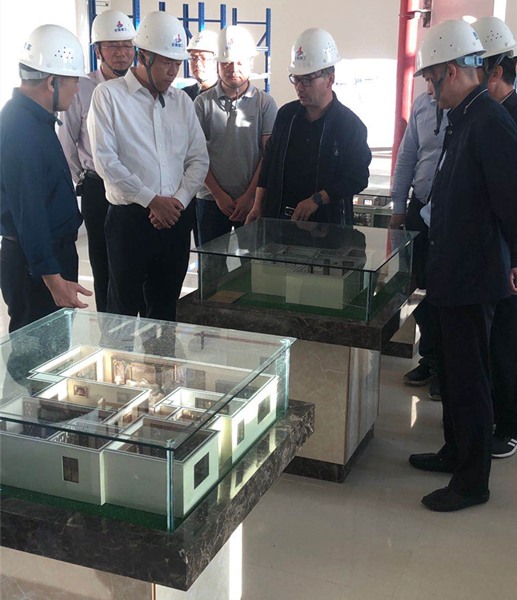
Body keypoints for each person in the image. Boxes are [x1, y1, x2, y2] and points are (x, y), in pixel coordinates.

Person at [408, 20, 517, 512]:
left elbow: (512, 199)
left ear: (452, 70)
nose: (431, 91)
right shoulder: (464, 117)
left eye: (433, 80)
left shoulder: (489, 121)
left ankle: (472, 482)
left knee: (471, 380)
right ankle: (454, 452)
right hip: (452, 272)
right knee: (453, 374)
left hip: (474, 276)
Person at [87, 11, 209, 321]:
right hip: (131, 220)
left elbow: (199, 159)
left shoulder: (181, 101)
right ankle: (118, 357)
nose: (173, 71)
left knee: (165, 310)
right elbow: (106, 162)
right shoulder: (109, 96)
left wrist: (177, 202)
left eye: (177, 63)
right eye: (166, 62)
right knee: (122, 314)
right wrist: (152, 200)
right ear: (143, 56)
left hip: (176, 218)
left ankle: (161, 356)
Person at [0, 24, 92, 334]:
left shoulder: (36, 120)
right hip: (35, 265)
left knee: (54, 347)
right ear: (51, 82)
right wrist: (53, 279)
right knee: (35, 350)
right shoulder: (20, 129)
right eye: (74, 81)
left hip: (49, 256)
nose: (77, 90)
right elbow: (29, 211)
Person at [247, 28, 371, 226]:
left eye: (307, 80)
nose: (299, 87)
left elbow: (357, 177)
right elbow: (268, 162)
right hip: (278, 223)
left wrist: (317, 199)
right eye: (296, 79)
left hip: (327, 228)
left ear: (330, 79)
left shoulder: (350, 126)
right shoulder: (286, 115)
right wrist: (257, 205)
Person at [58, 10, 136, 313]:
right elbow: (67, 143)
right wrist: (85, 178)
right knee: (104, 266)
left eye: (127, 45)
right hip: (98, 188)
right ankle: (109, 330)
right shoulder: (82, 87)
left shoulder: (142, 85)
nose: (121, 53)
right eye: (112, 46)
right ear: (98, 50)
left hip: (137, 187)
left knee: (137, 262)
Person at [472, 16, 517, 459]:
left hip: (509, 250)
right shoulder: (485, 114)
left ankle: (509, 425)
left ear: (495, 71)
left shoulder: (504, 118)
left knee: (506, 339)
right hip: (492, 248)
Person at [194, 25, 277, 245]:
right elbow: (194, 155)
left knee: (252, 262)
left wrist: (250, 196)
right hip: (210, 199)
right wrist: (218, 195)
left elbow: (268, 155)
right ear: (217, 64)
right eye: (226, 63)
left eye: (239, 63)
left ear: (250, 63)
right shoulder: (201, 103)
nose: (233, 69)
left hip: (251, 201)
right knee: (211, 262)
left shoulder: (265, 104)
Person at [390, 89, 447, 401]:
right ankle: (431, 357)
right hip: (418, 207)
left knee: (443, 291)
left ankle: (445, 367)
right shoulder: (422, 104)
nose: (429, 84)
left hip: (451, 212)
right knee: (415, 286)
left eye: (432, 75)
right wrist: (399, 207)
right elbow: (407, 156)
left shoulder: (471, 108)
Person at [183, 29, 219, 101]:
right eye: (193, 58)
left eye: (204, 58)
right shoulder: (183, 96)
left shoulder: (226, 95)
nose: (198, 64)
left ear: (216, 61)